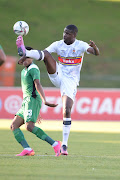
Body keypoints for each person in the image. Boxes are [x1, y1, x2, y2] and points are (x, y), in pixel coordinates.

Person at [16, 24, 100, 156]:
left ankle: (64, 145)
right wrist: (26, 54)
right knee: (47, 55)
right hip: (58, 75)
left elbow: (95, 52)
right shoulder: (58, 44)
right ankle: (25, 51)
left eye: (68, 34)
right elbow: (43, 53)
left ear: (74, 35)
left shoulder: (80, 45)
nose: (65, 35)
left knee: (66, 109)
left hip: (70, 81)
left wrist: (95, 48)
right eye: (64, 32)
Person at [10, 47, 61, 157]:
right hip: (26, 101)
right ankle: (27, 149)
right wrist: (23, 54)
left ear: (32, 58)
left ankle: (55, 144)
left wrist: (44, 100)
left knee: (29, 126)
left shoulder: (33, 68)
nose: (24, 59)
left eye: (27, 57)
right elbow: (20, 61)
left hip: (32, 99)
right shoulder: (25, 68)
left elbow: (38, 84)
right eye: (23, 57)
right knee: (14, 125)